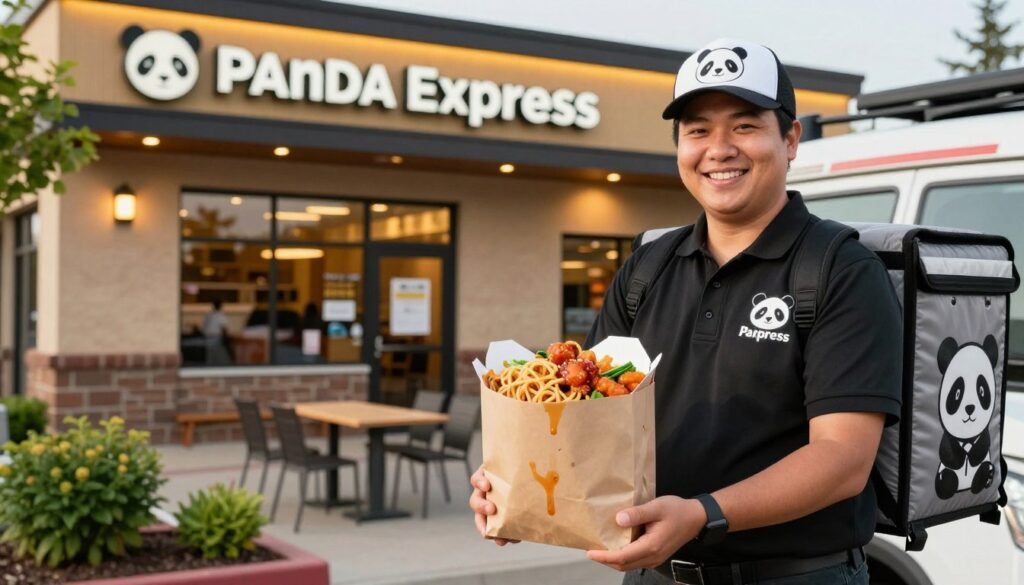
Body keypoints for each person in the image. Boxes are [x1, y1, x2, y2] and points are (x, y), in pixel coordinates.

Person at [469, 38, 903, 585]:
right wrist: (520, 484)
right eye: (697, 130)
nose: (718, 149)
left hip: (797, 576)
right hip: (657, 575)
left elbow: (842, 459)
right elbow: (589, 418)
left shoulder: (839, 269)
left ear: (790, 139)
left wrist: (702, 515)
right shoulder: (647, 268)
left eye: (744, 125)